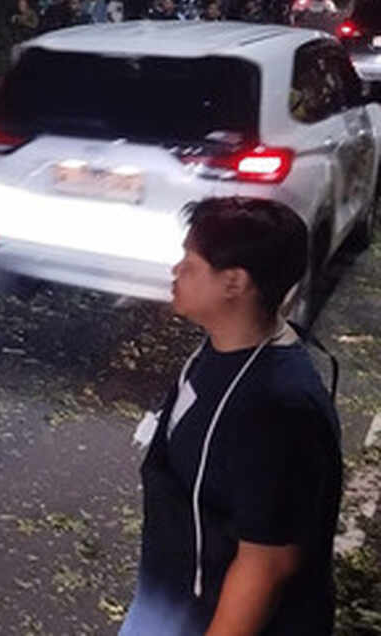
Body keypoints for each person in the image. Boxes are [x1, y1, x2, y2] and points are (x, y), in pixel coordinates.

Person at [121, 197, 341, 636]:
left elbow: (267, 563)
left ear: (234, 283)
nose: (175, 271)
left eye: (190, 262)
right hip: (171, 597)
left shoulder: (278, 411)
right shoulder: (221, 345)